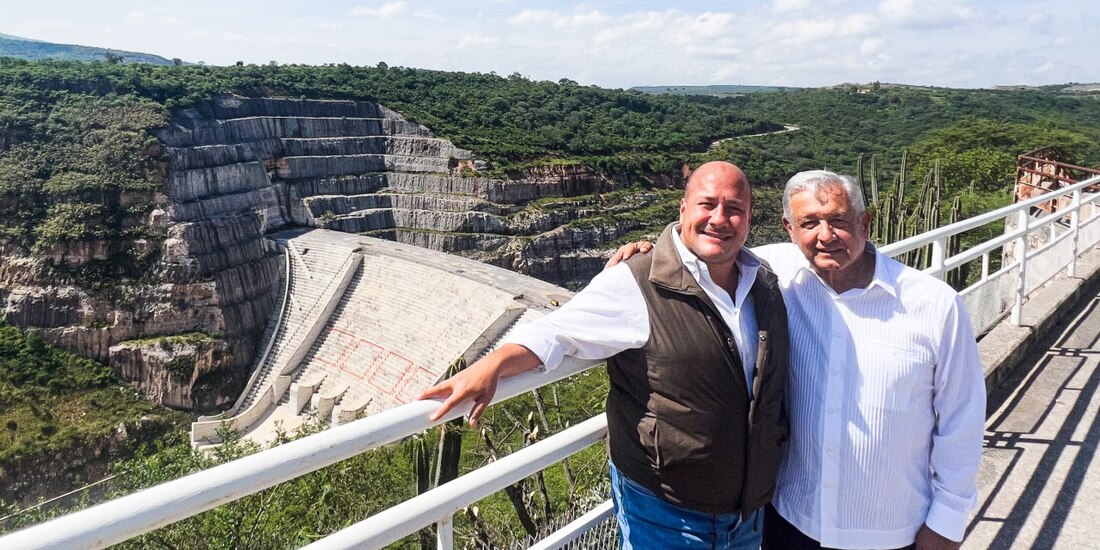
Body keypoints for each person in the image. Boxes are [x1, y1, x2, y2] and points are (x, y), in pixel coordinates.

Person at [419, 161, 790, 549]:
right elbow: (556, 332)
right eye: (707, 204)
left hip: (748, 514)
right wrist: (493, 364)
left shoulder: (763, 279)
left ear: (749, 219)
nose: (719, 218)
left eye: (733, 208)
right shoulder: (635, 281)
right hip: (666, 515)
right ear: (683, 210)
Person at [614, 170, 985, 550]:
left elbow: (962, 420)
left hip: (891, 529)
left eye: (838, 220)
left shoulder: (934, 305)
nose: (824, 235)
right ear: (789, 229)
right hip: (790, 522)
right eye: (809, 223)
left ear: (865, 222)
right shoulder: (770, 276)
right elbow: (706, 247)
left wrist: (946, 524)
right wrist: (645, 254)